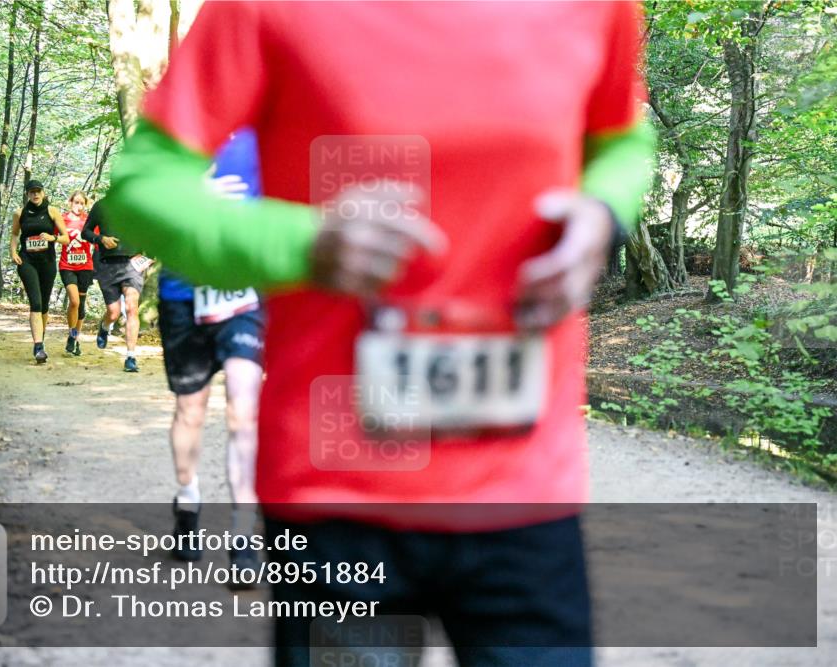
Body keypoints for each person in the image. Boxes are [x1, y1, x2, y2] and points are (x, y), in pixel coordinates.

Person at [107, 2, 655, 664]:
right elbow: (141, 190)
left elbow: (621, 139)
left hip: (522, 484)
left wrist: (604, 212)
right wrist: (303, 243)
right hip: (339, 491)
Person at [158, 128, 266, 587]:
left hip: (244, 290)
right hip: (183, 293)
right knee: (191, 409)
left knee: (244, 409)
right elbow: (140, 207)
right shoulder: (175, 129)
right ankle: (188, 501)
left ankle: (244, 535)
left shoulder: (263, 132)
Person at [81, 197, 148, 372]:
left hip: (132, 264)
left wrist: (149, 256)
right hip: (107, 264)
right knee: (114, 312)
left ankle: (131, 357)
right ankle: (105, 326)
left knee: (132, 307)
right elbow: (85, 232)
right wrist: (101, 238)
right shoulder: (101, 205)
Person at [9, 180, 69, 364]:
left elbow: (66, 238)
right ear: (27, 194)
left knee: (44, 305)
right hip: (27, 261)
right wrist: (13, 252)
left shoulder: (52, 211)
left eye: (38, 191)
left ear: (43, 193)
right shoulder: (20, 213)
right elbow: (15, 234)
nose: (35, 194)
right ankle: (38, 346)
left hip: (47, 262)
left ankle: (40, 340)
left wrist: (53, 238)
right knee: (35, 303)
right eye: (32, 192)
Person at [58, 190, 94, 356]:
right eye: (76, 202)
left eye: (82, 203)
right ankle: (72, 334)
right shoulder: (62, 219)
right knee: (74, 301)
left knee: (81, 307)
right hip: (67, 266)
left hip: (85, 266)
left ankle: (74, 338)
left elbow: (99, 241)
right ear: (70, 202)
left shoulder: (89, 221)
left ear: (85, 205)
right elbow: (52, 236)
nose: (78, 206)